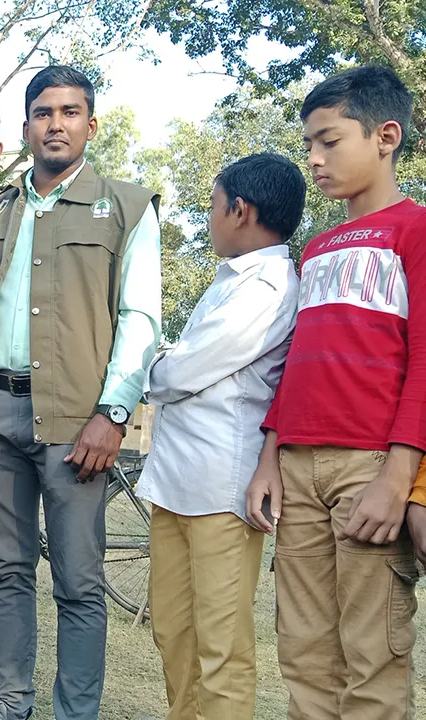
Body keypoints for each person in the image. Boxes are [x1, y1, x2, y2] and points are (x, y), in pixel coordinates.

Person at [0, 66, 161, 720]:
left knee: (78, 580)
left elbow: (141, 319)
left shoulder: (126, 206)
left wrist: (114, 411)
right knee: (4, 570)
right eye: (43, 112)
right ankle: (9, 702)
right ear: (27, 126)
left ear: (91, 124)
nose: (56, 123)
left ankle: (75, 712)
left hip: (78, 421)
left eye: (70, 112)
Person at [245, 65, 426, 720]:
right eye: (309, 146)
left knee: (371, 658)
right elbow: (293, 362)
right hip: (297, 469)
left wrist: (398, 478)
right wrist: (271, 456)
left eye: (329, 140)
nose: (315, 160)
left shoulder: (417, 230)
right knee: (304, 653)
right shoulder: (314, 248)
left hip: (370, 468)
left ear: (385, 136)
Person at [138, 153, 305, 720]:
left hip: (222, 488)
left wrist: (152, 373)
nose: (208, 218)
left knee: (221, 646)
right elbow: (183, 366)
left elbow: (179, 371)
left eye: (212, 205)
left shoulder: (269, 287)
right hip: (175, 480)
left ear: (241, 210)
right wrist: (167, 368)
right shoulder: (230, 280)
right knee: (174, 631)